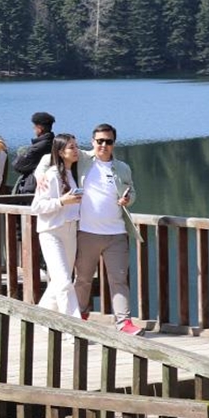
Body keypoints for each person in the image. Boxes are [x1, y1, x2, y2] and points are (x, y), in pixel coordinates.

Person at [73, 123, 141, 335]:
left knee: (119, 280)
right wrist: (41, 177)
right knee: (83, 279)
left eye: (108, 141)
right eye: (99, 141)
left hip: (116, 233)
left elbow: (133, 192)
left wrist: (128, 199)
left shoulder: (122, 167)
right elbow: (52, 158)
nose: (103, 145)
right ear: (92, 142)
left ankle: (124, 323)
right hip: (87, 232)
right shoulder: (82, 159)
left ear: (113, 143)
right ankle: (80, 317)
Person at [30, 134, 82, 318]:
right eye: (71, 147)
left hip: (70, 231)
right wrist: (61, 201)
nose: (76, 150)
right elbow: (36, 206)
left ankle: (39, 317)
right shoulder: (51, 175)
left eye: (76, 146)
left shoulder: (70, 173)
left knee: (60, 281)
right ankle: (73, 328)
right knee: (64, 281)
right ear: (60, 152)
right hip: (51, 232)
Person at [12, 112, 55, 195]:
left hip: (35, 186)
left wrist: (22, 154)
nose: (33, 128)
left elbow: (17, 165)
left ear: (40, 128)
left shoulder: (39, 147)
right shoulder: (54, 142)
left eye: (34, 126)